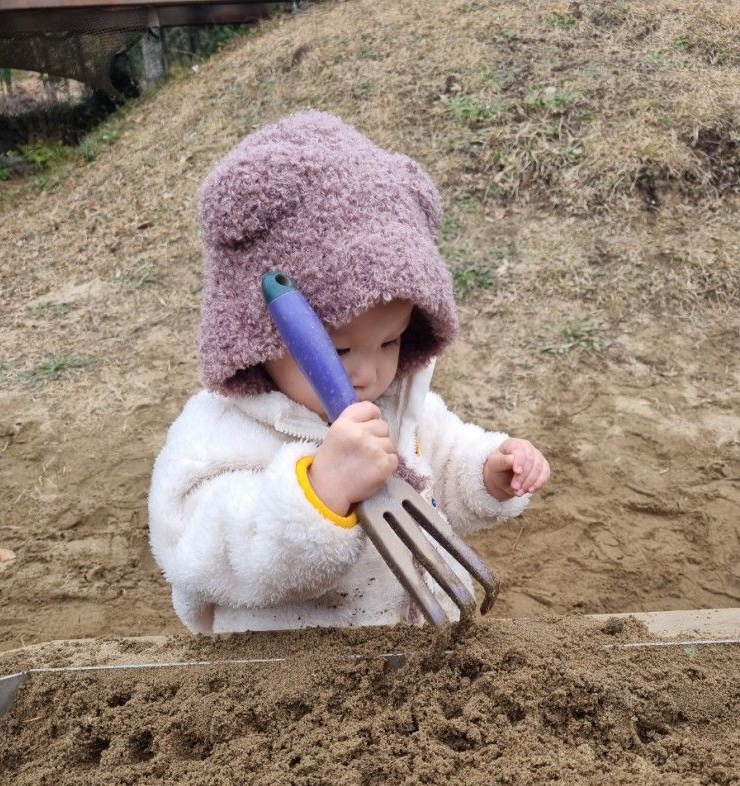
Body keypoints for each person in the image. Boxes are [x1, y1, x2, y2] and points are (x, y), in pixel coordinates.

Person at [148, 110, 550, 633]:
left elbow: (441, 464)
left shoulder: (401, 404)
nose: (369, 372)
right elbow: (197, 552)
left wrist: (490, 473)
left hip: (422, 659)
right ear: (259, 339)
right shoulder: (218, 436)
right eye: (337, 351)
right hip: (285, 680)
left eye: (389, 341)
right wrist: (319, 492)